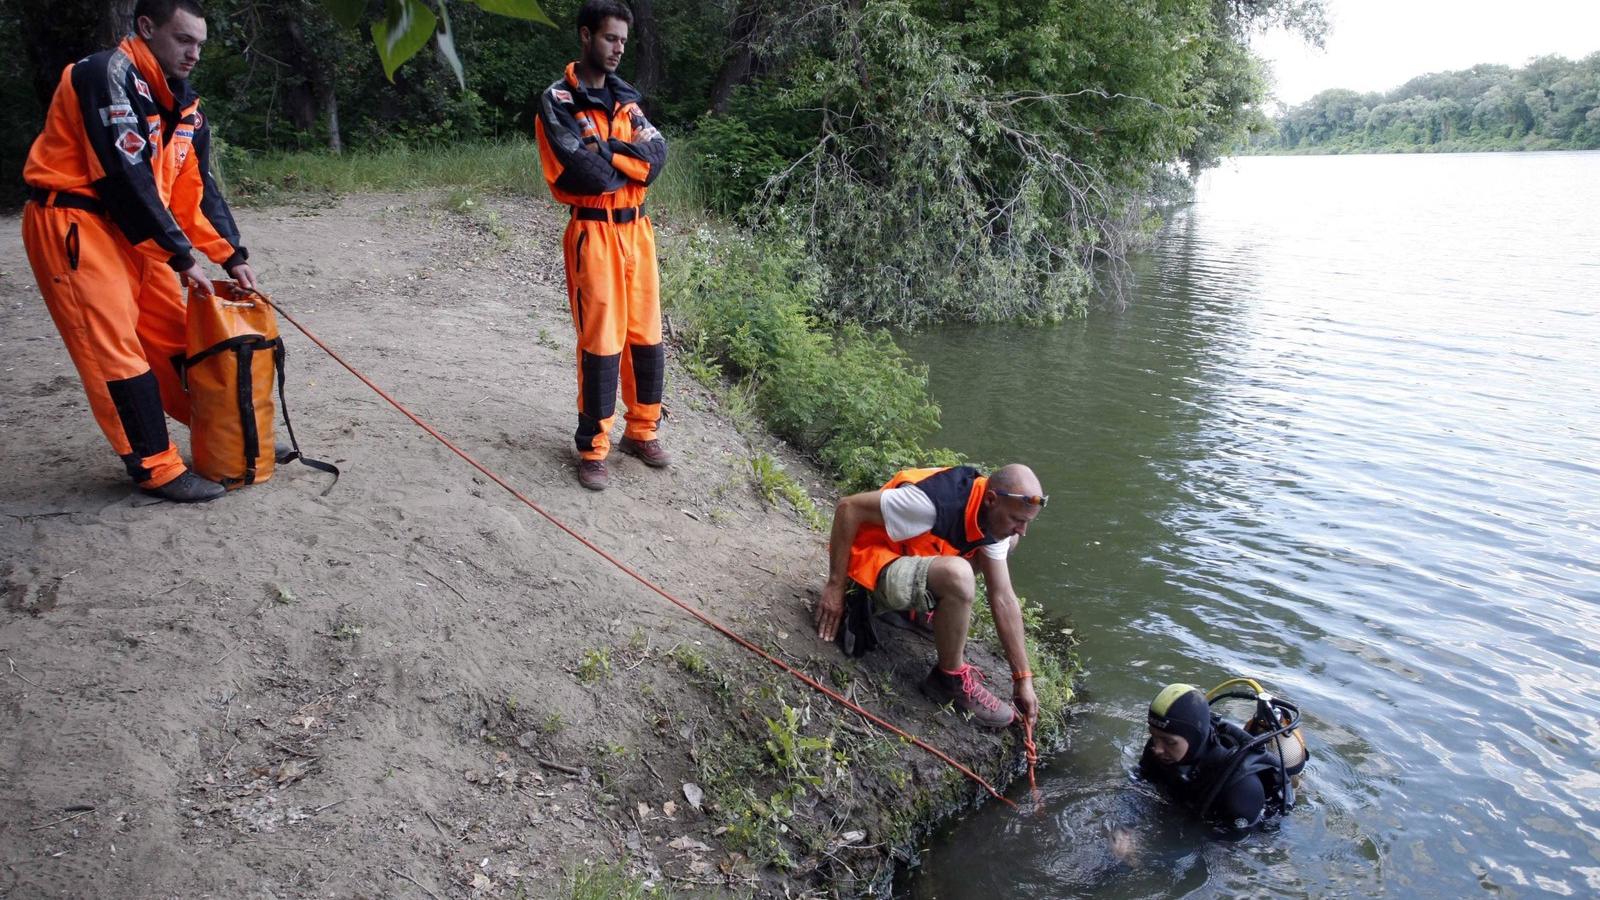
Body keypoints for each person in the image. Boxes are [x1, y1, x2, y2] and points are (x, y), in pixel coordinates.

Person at [21, 0, 257, 503]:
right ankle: (155, 465)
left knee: (181, 343)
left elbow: (195, 194)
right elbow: (121, 176)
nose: (193, 53)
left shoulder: (186, 108)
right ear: (146, 27)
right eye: (183, 39)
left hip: (140, 236)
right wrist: (182, 256)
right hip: (77, 224)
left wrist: (232, 255)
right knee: (117, 353)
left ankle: (227, 440)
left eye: (199, 44)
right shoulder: (104, 74)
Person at [534, 0, 670, 492]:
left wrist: (608, 151)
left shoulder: (627, 101)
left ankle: (643, 430)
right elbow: (583, 172)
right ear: (586, 36)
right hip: (593, 232)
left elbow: (656, 158)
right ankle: (593, 447)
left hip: (638, 233)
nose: (617, 49)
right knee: (601, 342)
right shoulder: (557, 101)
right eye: (610, 39)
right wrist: (617, 162)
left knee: (646, 336)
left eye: (624, 42)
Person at [813, 464, 1045, 729]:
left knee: (1005, 543)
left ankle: (911, 610)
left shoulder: (988, 513)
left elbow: (1003, 597)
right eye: (1018, 520)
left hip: (902, 559)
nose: (1022, 529)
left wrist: (1023, 678)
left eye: (1027, 522)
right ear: (991, 499)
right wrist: (835, 587)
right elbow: (848, 507)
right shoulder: (928, 503)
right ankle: (948, 680)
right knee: (958, 575)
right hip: (864, 569)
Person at [1137, 683, 1296, 834]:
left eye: (1169, 742)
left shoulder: (1241, 790)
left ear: (1194, 739)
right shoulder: (1159, 747)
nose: (1157, 748)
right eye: (1154, 736)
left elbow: (1231, 846)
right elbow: (1138, 784)